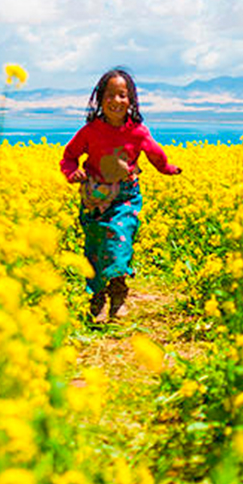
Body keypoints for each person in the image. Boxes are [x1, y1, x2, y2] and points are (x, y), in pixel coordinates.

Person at [60, 68, 182, 319]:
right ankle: (97, 299)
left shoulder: (137, 131)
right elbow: (69, 156)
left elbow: (155, 155)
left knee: (119, 236)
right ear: (100, 99)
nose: (116, 101)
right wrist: (72, 174)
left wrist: (167, 169)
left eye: (122, 95)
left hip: (125, 195)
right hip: (94, 197)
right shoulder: (90, 131)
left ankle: (118, 293)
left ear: (131, 100)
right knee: (94, 245)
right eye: (110, 95)